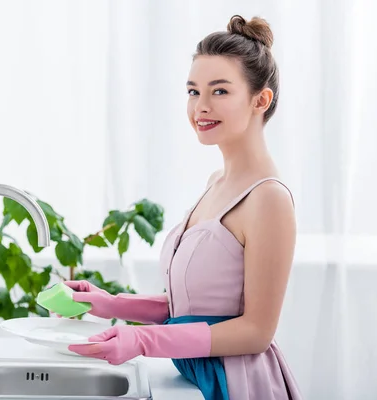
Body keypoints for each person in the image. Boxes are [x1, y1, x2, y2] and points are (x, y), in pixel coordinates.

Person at [62, 14, 302, 400]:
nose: (200, 107)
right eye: (193, 91)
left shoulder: (268, 199)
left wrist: (142, 339)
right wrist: (108, 303)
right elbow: (194, 307)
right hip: (196, 377)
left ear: (261, 100)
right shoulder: (217, 184)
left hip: (237, 384)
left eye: (219, 91)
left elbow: (257, 331)